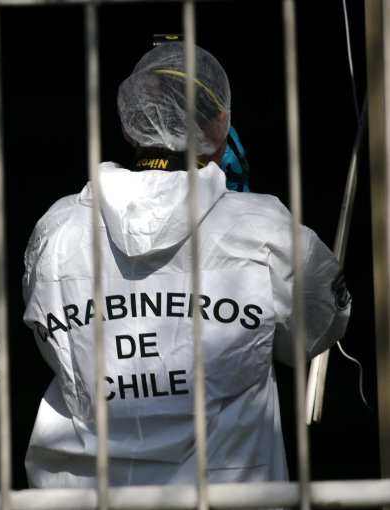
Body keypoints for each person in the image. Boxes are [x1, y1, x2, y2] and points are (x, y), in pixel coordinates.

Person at [21, 43, 350, 486]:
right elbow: (320, 329)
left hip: (86, 494)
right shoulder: (263, 229)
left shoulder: (55, 230)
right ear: (221, 124)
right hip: (226, 494)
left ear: (130, 127)